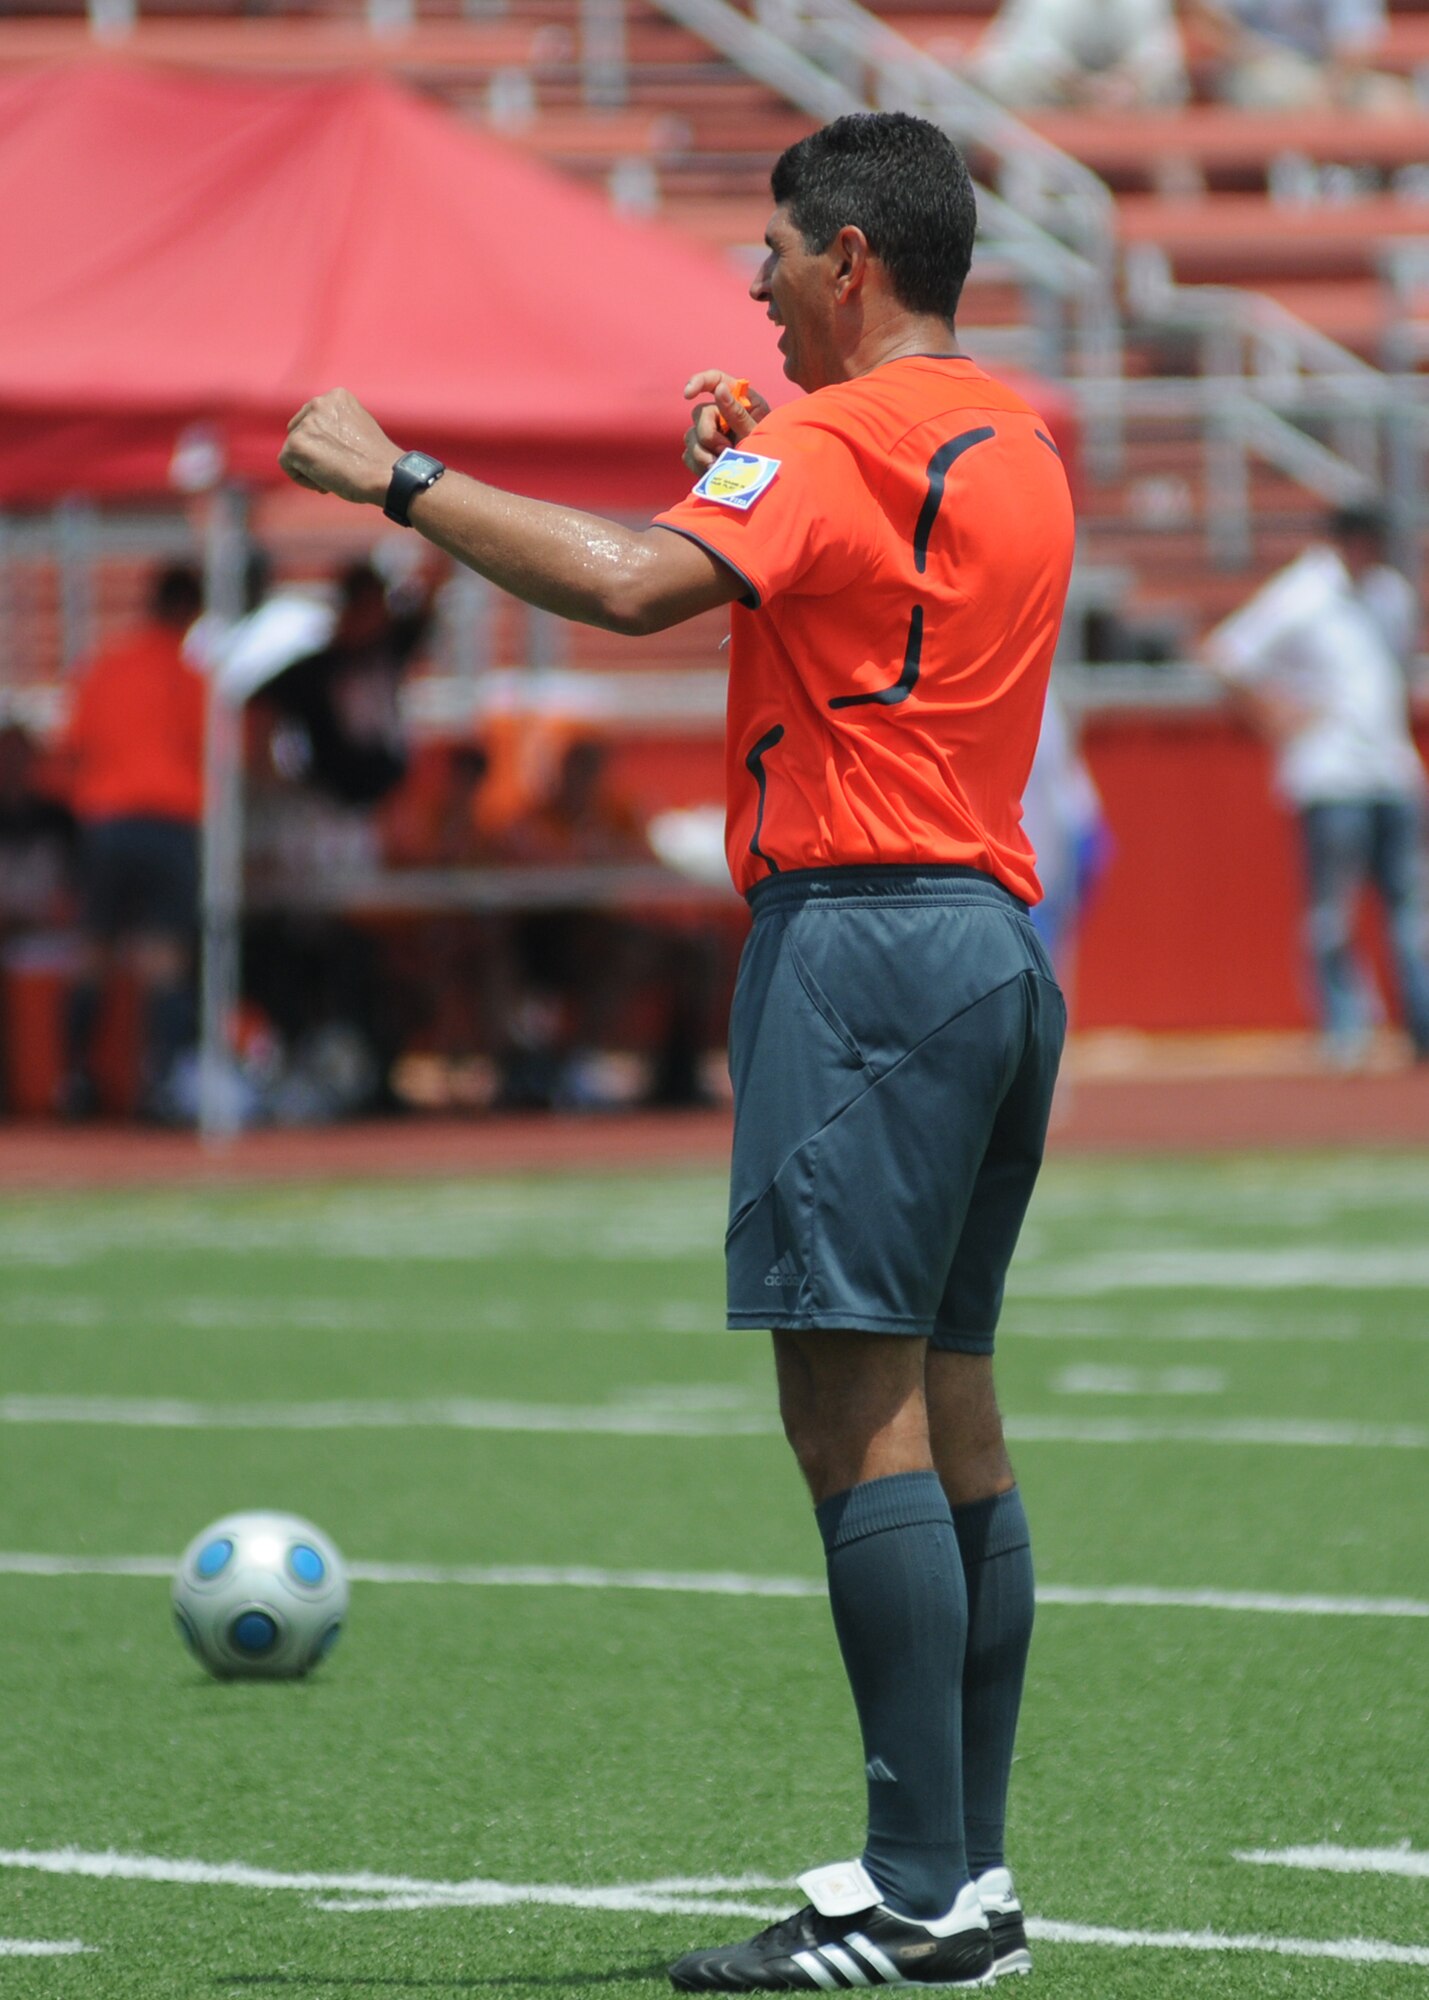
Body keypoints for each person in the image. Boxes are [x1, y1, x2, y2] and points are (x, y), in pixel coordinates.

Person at [280, 109, 1073, 1990]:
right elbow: (880, 590)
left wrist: (399, 481)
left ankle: (910, 1890)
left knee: (850, 1416)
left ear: (848, 261)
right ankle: (963, 1874)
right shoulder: (1009, 432)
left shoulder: (831, 435)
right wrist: (758, 463)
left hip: (861, 946)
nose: (756, 285)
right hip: (986, 942)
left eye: (775, 253)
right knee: (953, 1403)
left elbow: (632, 585)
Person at [1203, 503, 1429, 1066]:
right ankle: (1345, 1027)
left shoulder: (1390, 596)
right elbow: (1225, 653)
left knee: (1411, 905)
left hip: (1392, 770)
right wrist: (1274, 713)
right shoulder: (1302, 595)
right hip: (1329, 774)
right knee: (1333, 910)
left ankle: (1420, 1024)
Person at [55, 562, 206, 1117]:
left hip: (107, 824)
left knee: (93, 954)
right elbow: (211, 753)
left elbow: (72, 747)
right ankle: (159, 1084)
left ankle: (73, 1079)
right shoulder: (190, 677)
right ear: (190, 611)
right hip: (169, 823)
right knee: (164, 961)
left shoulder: (104, 668)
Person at [1186, 0, 1406, 110]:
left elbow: (1357, 42)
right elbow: (1201, 11)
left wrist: (1328, 90)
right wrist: (1245, 47)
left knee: (1389, 102)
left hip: (1331, 73)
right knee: (1269, 86)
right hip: (1261, 69)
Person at [969, 0, 1188, 108]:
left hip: (1113, 98)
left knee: (1167, 88)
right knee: (1023, 83)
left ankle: (1174, 192)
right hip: (1018, 100)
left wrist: (1123, 88)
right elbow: (1041, 62)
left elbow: (1159, 55)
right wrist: (1093, 94)